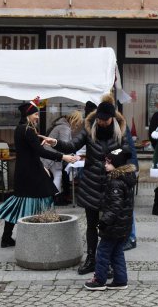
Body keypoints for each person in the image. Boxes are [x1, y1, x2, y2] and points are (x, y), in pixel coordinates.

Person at [43, 95, 131, 275]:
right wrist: (56, 143)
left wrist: (117, 160)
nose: (101, 122)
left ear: (112, 118)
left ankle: (110, 262)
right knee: (92, 224)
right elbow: (72, 145)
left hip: (111, 183)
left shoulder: (120, 131)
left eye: (105, 120)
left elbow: (127, 151)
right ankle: (91, 258)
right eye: (99, 119)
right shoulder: (89, 127)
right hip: (91, 182)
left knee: (110, 225)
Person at [0, 98, 78, 248]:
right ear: (28, 115)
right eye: (35, 114)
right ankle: (44, 234)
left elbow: (32, 152)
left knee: (21, 202)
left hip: (27, 171)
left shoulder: (21, 128)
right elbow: (40, 151)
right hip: (31, 173)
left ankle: (7, 237)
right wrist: (63, 156)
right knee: (44, 198)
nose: (37, 116)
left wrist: (42, 166)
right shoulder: (27, 130)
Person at [84, 148, 136, 291]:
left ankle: (99, 280)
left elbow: (115, 206)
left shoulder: (116, 183)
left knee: (102, 252)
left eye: (108, 162)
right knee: (117, 252)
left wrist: (104, 221)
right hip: (123, 225)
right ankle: (120, 280)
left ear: (117, 165)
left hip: (114, 226)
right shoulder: (126, 179)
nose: (105, 165)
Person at [41, 111, 83, 206]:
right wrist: (73, 156)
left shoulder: (61, 126)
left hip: (49, 154)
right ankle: (55, 198)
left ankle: (55, 197)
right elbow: (64, 146)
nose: (77, 127)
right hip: (52, 155)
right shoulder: (65, 128)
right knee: (57, 175)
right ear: (74, 121)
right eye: (77, 124)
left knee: (56, 175)